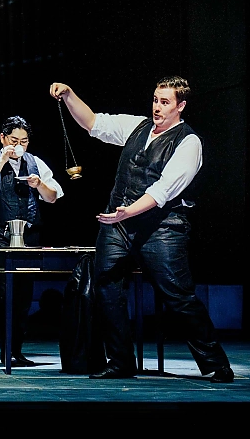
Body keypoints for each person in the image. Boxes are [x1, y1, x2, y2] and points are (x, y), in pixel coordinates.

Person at [49, 77, 234, 383]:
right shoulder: (138, 127)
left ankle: (216, 363)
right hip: (118, 223)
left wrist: (128, 211)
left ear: (180, 106)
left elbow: (163, 190)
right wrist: (69, 94)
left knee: (177, 294)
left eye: (165, 102)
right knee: (107, 286)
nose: (157, 107)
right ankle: (121, 361)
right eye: (155, 100)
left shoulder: (189, 142)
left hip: (161, 226)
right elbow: (93, 123)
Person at [0, 115, 64, 367]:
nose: (19, 145)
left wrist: (39, 184)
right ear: (3, 138)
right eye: (14, 140)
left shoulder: (35, 163)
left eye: (24, 141)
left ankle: (16, 351)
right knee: (4, 295)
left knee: (24, 296)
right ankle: (4, 350)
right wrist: (2, 159)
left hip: (29, 237)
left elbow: (52, 197)